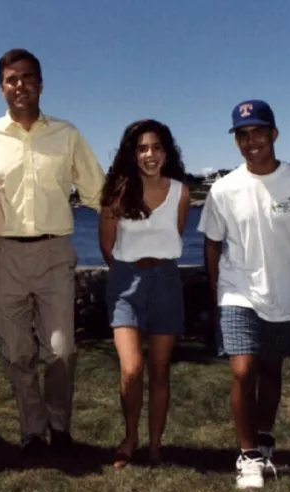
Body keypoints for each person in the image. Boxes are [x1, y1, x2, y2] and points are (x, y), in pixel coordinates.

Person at [0, 48, 105, 458]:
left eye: (27, 77)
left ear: (41, 84)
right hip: (3, 255)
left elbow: (99, 192)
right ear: (1, 86)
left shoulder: (67, 135)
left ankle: (60, 428)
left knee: (61, 350)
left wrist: (148, 215)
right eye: (12, 79)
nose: (20, 85)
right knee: (17, 353)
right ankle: (32, 433)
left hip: (54, 252)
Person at [197, 100, 290, 489]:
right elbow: (211, 244)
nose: (250, 141)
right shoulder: (224, 189)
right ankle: (248, 455)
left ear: (273, 134)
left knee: (272, 368)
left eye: (257, 132)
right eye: (242, 134)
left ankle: (265, 434)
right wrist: (217, 287)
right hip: (237, 292)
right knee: (242, 370)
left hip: (286, 294)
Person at [98, 119, 190, 468]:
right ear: (132, 154)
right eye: (142, 148)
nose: (150, 154)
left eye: (156, 147)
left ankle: (155, 444)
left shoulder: (181, 192)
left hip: (165, 281)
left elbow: (174, 233)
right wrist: (128, 273)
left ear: (167, 151)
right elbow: (107, 247)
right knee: (132, 368)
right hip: (126, 283)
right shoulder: (116, 193)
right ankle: (130, 436)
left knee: (160, 369)